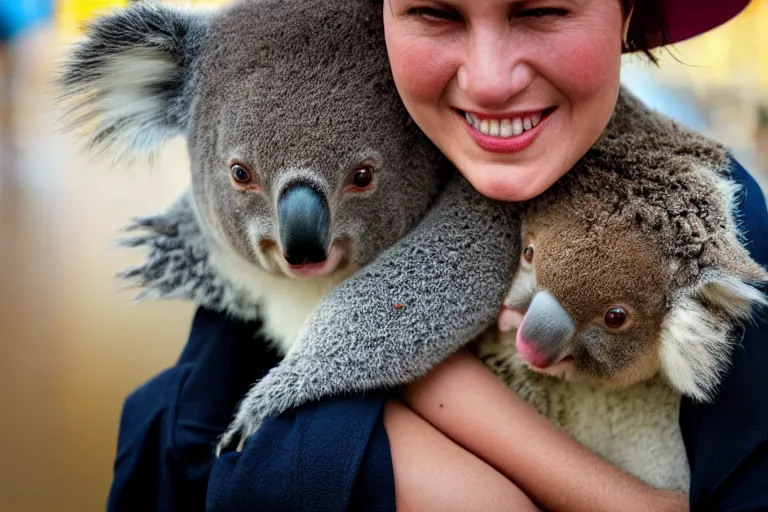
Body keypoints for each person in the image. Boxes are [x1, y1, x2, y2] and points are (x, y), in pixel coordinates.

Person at [106, 1, 768, 511]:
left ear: (627, 11)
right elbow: (210, 454)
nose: (490, 80)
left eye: (543, 9)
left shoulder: (711, 218)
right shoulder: (327, 139)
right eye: (433, 11)